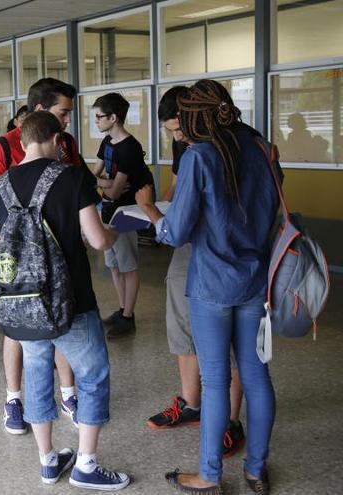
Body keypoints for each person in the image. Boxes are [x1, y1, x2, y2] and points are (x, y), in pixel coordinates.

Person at [137, 80, 279, 495]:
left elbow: (176, 230)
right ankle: (256, 470)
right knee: (257, 377)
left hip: (212, 284)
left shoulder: (201, 155)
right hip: (255, 280)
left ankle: (210, 476)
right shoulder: (261, 147)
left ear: (195, 115)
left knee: (215, 381)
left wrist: (148, 208)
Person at [0, 111, 129, 490]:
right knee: (93, 374)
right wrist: (114, 233)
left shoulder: (2, 185)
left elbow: (2, 243)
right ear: (56, 139)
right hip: (72, 301)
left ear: (21, 142)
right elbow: (97, 239)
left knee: (36, 375)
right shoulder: (70, 177)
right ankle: (86, 463)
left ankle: (48, 461)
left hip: (24, 303)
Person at [0, 77, 85, 436]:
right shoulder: (3, 148)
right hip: (20, 263)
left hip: (62, 259)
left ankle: (68, 394)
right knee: (18, 328)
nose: (68, 120)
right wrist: (8, 249)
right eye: (62, 112)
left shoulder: (65, 144)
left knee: (62, 322)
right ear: (40, 111)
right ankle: (14, 399)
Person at [148, 87, 246, 456]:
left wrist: (154, 213)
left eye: (179, 128)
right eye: (171, 131)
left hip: (225, 253)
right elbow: (182, 186)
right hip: (194, 245)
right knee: (182, 320)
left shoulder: (236, 145)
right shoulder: (190, 147)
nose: (178, 137)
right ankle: (193, 405)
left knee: (229, 341)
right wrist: (170, 205)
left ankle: (229, 423)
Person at [90, 93, 152, 339]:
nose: (96, 121)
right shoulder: (107, 142)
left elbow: (116, 191)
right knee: (114, 265)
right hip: (108, 210)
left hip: (127, 213)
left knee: (128, 265)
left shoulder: (130, 147)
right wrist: (105, 182)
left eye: (99, 117)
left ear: (113, 117)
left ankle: (129, 316)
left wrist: (104, 184)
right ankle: (122, 308)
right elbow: (91, 176)